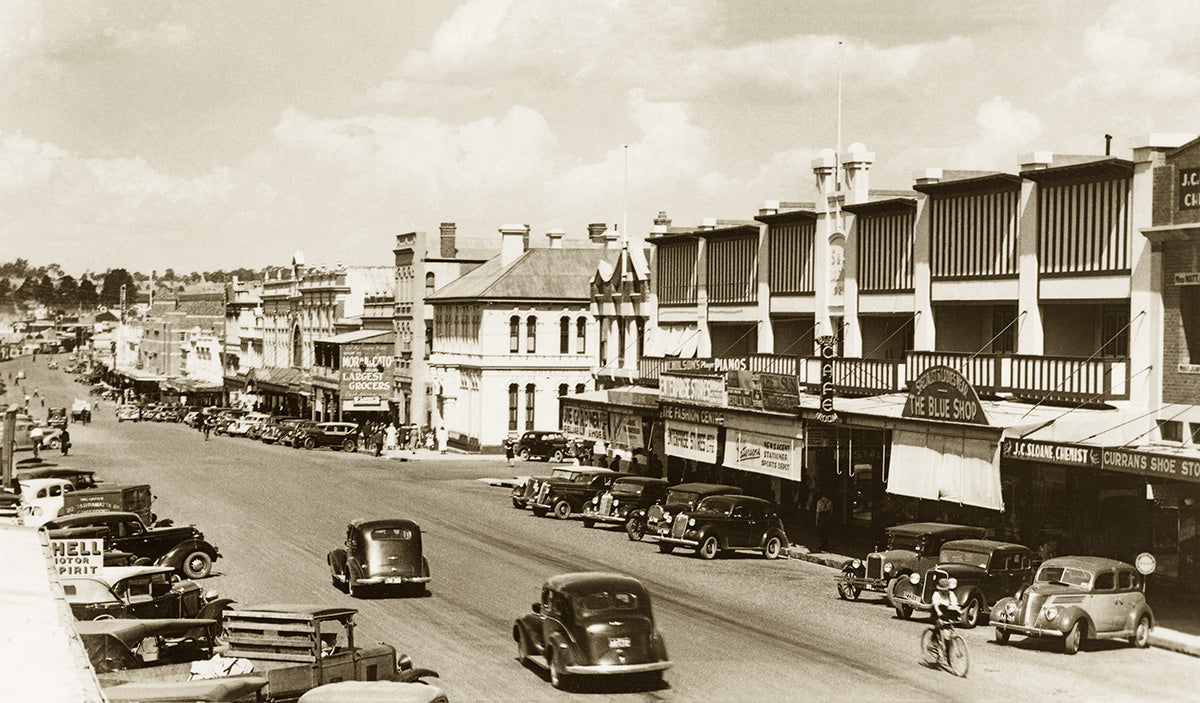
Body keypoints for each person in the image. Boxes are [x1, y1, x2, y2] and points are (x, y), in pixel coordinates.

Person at [929, 577, 961, 653]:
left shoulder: (951, 594)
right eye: (943, 590)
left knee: (948, 631)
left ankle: (947, 653)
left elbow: (954, 604)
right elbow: (936, 605)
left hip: (946, 612)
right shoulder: (936, 594)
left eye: (946, 589)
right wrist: (938, 612)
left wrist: (959, 612)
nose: (945, 591)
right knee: (939, 624)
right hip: (937, 612)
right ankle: (934, 640)